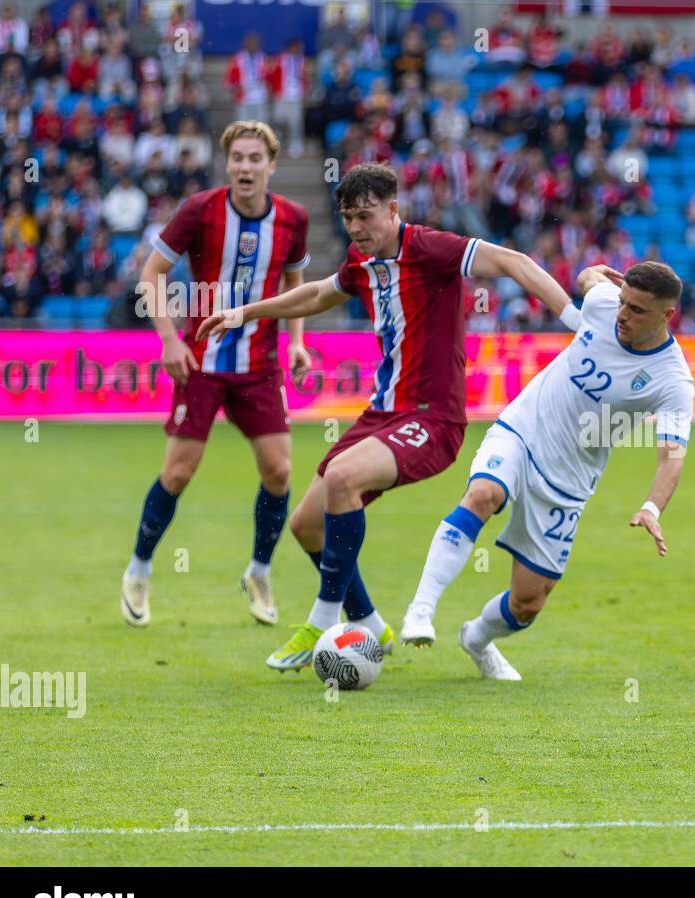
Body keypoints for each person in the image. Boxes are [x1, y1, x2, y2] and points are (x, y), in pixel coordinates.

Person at [195, 163, 576, 670]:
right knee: (308, 525)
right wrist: (245, 313)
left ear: (393, 210)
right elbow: (314, 294)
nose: (356, 228)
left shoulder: (428, 248)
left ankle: (323, 621)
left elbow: (511, 260)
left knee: (343, 478)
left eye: (366, 216)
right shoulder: (361, 262)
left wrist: (575, 319)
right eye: (349, 217)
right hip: (383, 413)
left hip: (433, 418)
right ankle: (371, 624)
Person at [399, 262, 694, 680]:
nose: (623, 315)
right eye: (623, 302)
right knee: (484, 494)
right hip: (525, 428)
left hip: (570, 478)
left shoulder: (672, 380)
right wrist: (592, 273)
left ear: (667, 316)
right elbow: (590, 281)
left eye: (637, 310)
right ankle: (421, 609)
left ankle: (477, 639)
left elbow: (672, 456)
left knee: (528, 602)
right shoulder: (604, 304)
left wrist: (652, 507)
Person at [121, 121, 312, 629]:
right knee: (179, 473)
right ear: (227, 164)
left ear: (271, 165)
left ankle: (259, 572)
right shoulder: (200, 211)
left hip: (260, 365)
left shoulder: (294, 219)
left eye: (255, 159)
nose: (245, 167)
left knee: (280, 471)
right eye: (238, 159)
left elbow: (296, 286)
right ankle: (139, 571)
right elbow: (150, 276)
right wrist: (167, 339)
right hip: (200, 362)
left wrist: (297, 342)